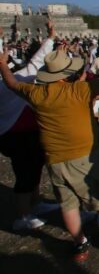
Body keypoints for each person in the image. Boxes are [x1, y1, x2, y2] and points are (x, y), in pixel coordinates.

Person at [0, 46, 99, 262]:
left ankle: (80, 243)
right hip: (85, 157)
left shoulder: (37, 93)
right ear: (66, 76)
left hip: (55, 159)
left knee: (67, 204)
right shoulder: (78, 90)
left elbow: (11, 84)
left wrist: (3, 65)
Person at [0, 21, 59, 231]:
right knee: (25, 174)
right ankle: (23, 216)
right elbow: (33, 64)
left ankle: (36, 204)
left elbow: (35, 62)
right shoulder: (11, 83)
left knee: (34, 169)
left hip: (30, 132)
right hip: (15, 135)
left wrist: (51, 38)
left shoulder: (18, 78)